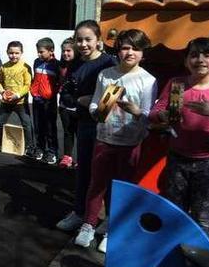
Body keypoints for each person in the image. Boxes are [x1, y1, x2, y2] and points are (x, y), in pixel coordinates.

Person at [149, 37, 209, 240]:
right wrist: (162, 116)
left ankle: (198, 257)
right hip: (177, 158)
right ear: (186, 61)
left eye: (207, 55)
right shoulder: (177, 84)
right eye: (194, 55)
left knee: (202, 217)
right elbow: (155, 111)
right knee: (174, 212)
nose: (200, 60)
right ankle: (171, 257)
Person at [74, 29, 158, 252]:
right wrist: (98, 111)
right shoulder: (107, 74)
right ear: (118, 50)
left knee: (122, 188)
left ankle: (114, 228)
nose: (129, 52)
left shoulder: (148, 80)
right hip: (104, 138)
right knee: (97, 184)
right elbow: (94, 105)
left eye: (135, 48)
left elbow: (150, 115)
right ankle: (89, 224)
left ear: (143, 53)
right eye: (125, 47)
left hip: (131, 143)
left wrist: (136, 110)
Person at [56, 21, 117, 232]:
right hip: (84, 124)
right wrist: (79, 101)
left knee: (106, 175)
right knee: (84, 172)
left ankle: (110, 220)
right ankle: (80, 212)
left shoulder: (109, 63)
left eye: (88, 39)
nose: (83, 44)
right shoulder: (74, 64)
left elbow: (112, 97)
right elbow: (66, 93)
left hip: (106, 128)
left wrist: (94, 102)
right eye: (79, 40)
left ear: (98, 40)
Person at [0, 41, 32, 154]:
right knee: (0, 123)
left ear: (21, 53)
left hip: (21, 102)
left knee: (26, 124)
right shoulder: (4, 67)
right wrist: (2, 92)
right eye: (11, 53)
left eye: (17, 53)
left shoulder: (25, 67)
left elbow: (27, 85)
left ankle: (29, 147)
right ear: (7, 52)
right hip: (6, 102)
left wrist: (17, 95)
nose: (14, 55)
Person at [29, 37, 60, 165]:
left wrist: (51, 95)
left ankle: (52, 152)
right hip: (36, 100)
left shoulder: (57, 65)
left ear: (51, 50)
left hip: (49, 102)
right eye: (38, 51)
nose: (39, 54)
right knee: (38, 126)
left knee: (50, 127)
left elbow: (59, 84)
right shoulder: (36, 62)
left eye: (41, 52)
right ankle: (40, 148)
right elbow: (35, 79)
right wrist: (34, 92)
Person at [58, 37, 78, 168]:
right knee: (67, 132)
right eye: (64, 51)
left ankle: (83, 158)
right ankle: (67, 157)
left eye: (69, 51)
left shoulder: (81, 66)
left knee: (80, 134)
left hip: (79, 107)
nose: (66, 53)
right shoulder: (60, 65)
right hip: (64, 105)